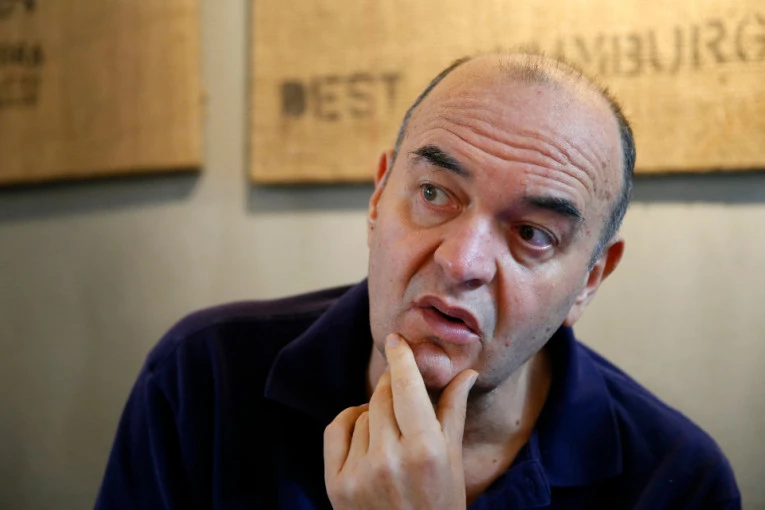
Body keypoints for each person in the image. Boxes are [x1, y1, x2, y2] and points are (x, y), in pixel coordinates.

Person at [95, 52, 740, 509]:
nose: (461, 262)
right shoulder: (201, 379)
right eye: (434, 193)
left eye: (532, 233)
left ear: (591, 280)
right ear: (379, 196)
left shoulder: (678, 481)